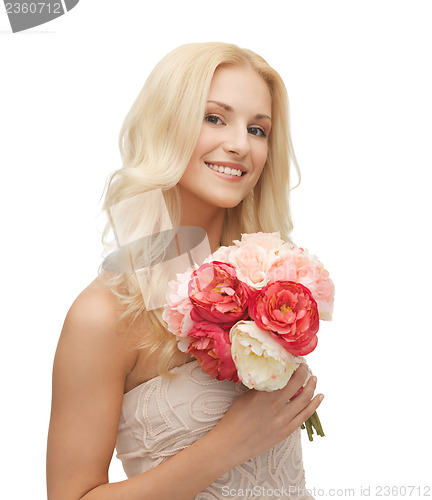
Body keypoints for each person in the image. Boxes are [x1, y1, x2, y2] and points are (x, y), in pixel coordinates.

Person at [46, 42, 324, 500]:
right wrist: (227, 445)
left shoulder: (270, 280)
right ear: (165, 124)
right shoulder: (103, 314)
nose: (239, 145)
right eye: (214, 118)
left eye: (258, 129)